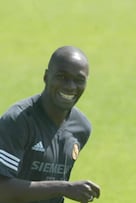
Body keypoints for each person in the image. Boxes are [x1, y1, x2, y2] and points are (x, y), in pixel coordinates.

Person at [0, 46, 100, 203]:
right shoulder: (18, 121)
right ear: (46, 77)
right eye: (62, 76)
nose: (70, 86)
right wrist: (64, 188)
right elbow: (2, 190)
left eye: (78, 80)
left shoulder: (81, 127)